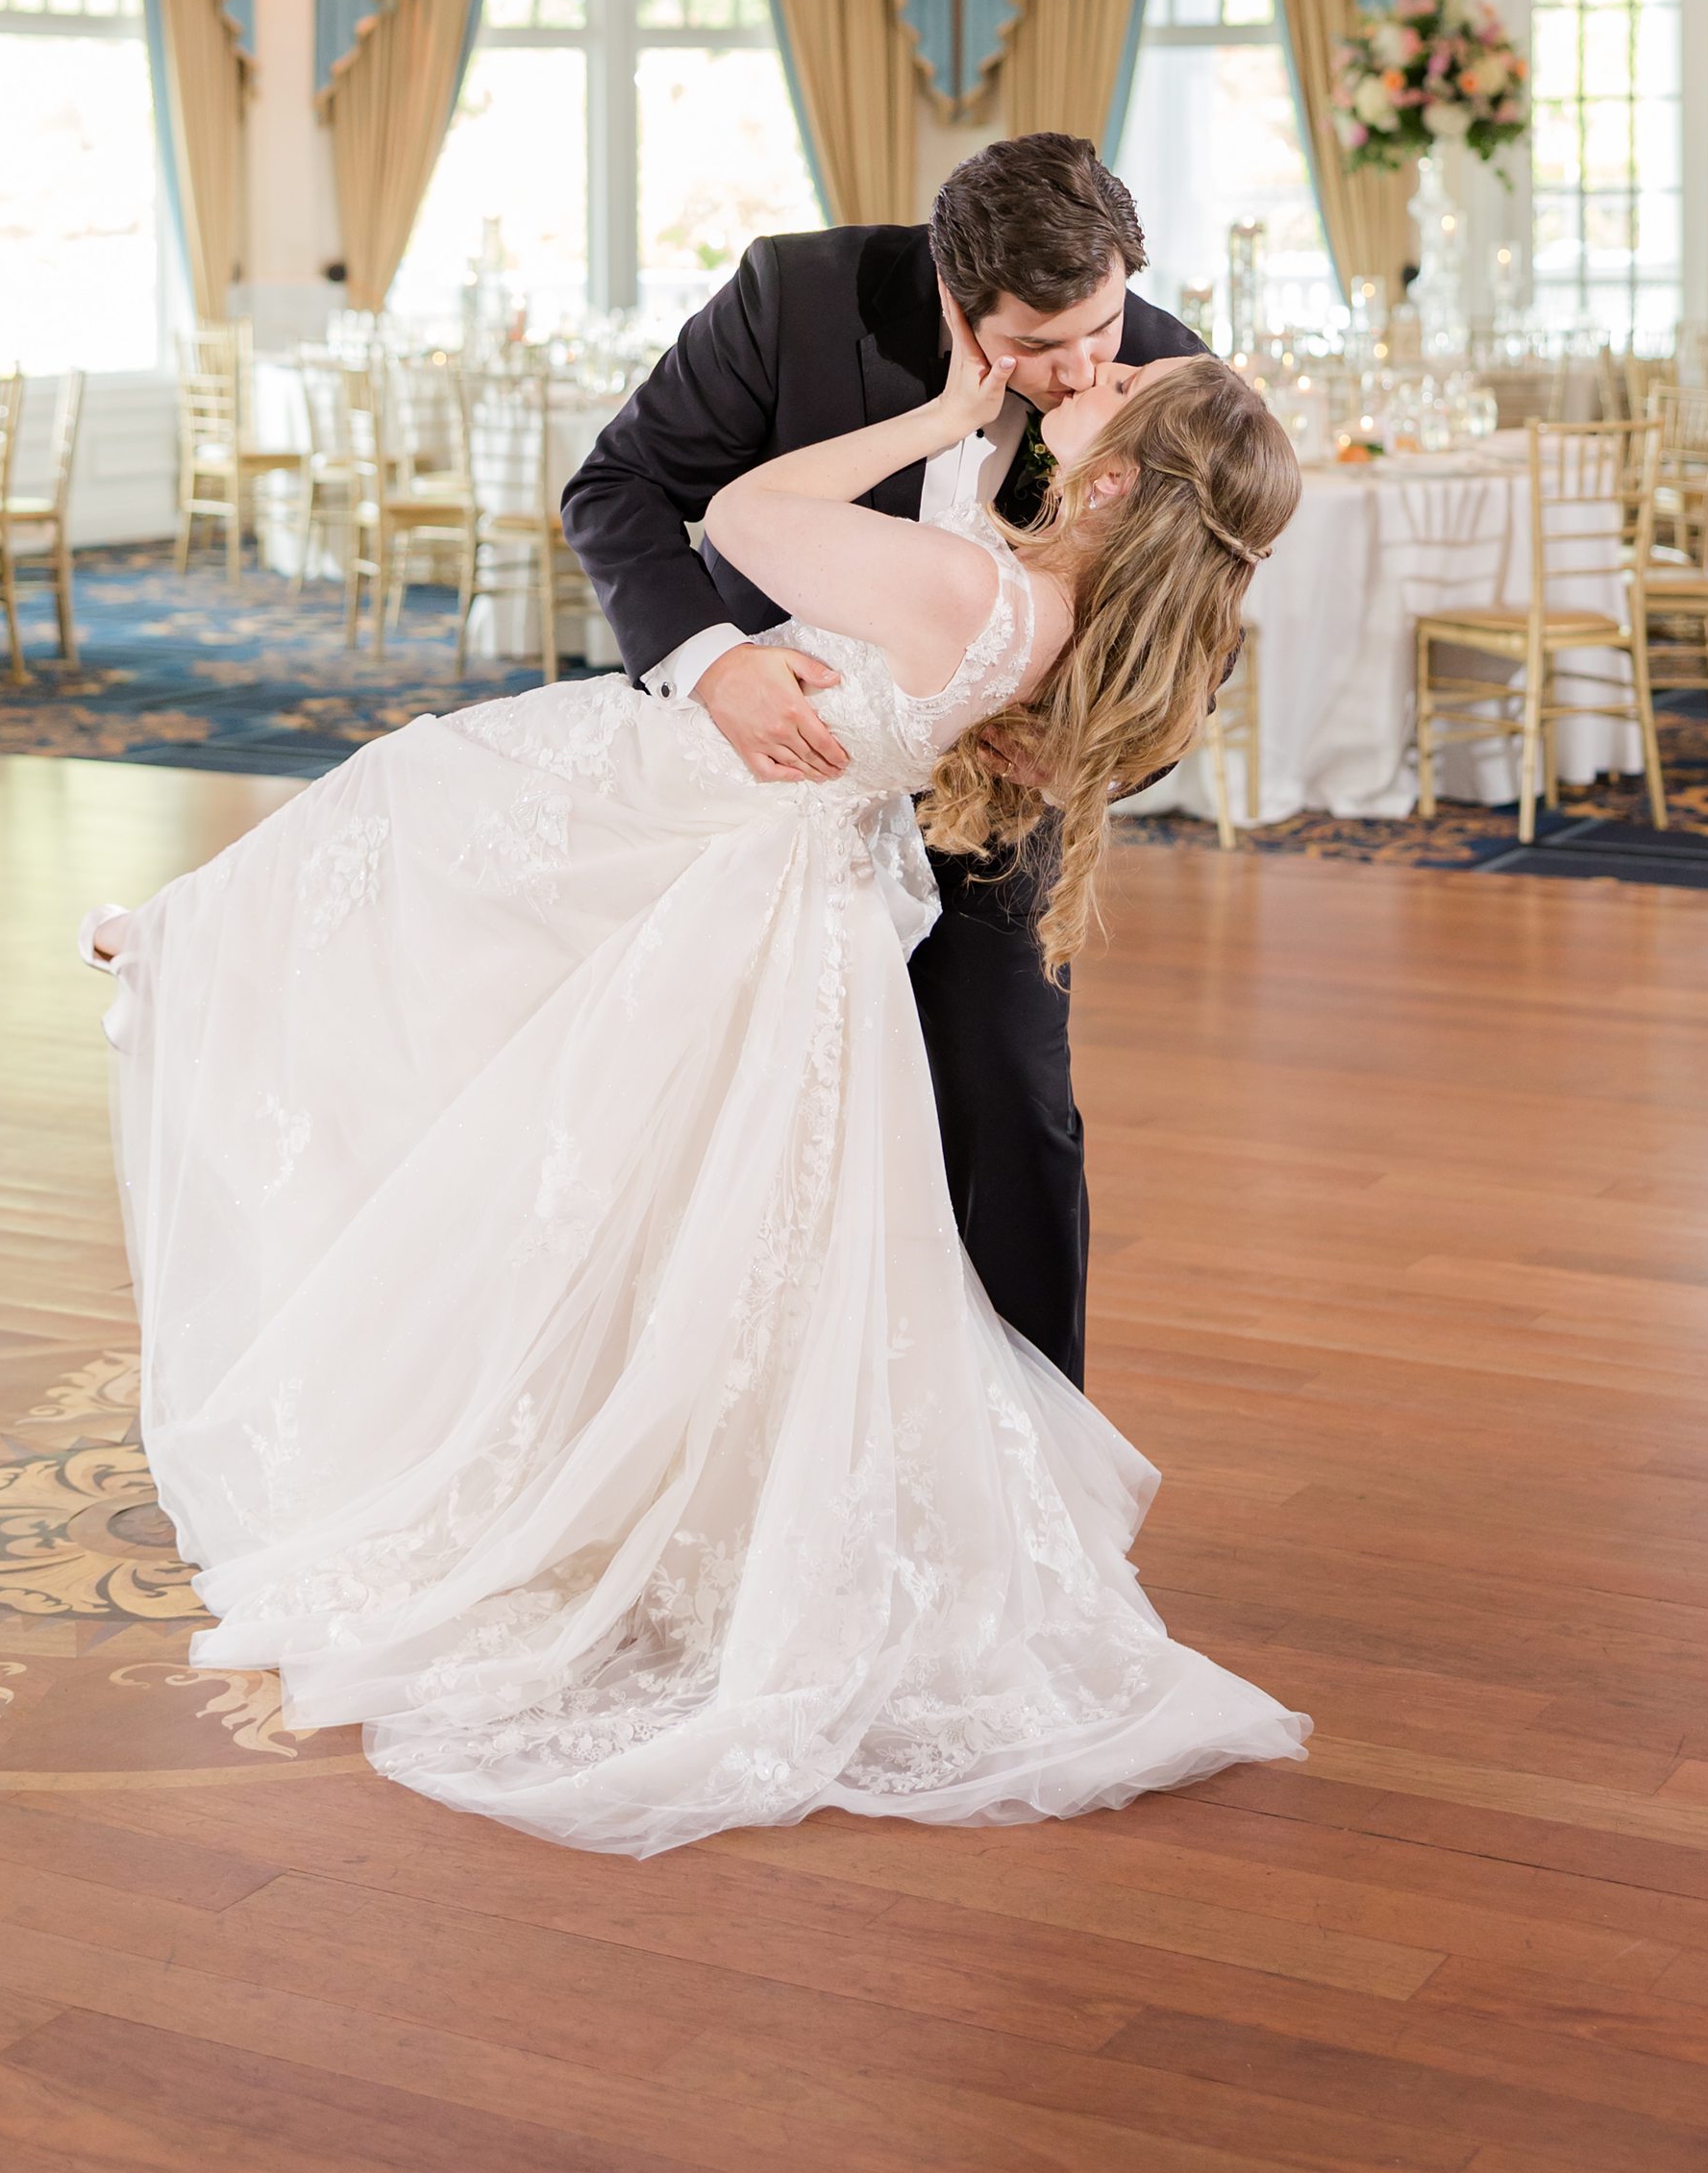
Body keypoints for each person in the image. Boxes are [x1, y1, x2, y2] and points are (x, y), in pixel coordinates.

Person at [83, 304, 1307, 1857]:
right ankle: (189, 944)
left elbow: (739, 515)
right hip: (779, 872)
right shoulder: (1047, 620)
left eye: (1121, 381)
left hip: (692, 827)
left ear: (1118, 481)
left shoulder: (978, 588)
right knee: (616, 1135)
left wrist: (941, 422)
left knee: (413, 850)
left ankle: (185, 946)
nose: (1094, 373)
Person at [559, 135, 1209, 1390]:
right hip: (778, 775)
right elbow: (620, 486)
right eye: (1039, 343)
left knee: (1012, 1105)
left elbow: (1192, 637)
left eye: (1103, 323)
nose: (1085, 369)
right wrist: (712, 664)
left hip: (998, 799)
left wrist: (1078, 759)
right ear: (958, 296)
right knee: (735, 1114)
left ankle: (1031, 1441)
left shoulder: (1159, 373)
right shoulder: (796, 300)